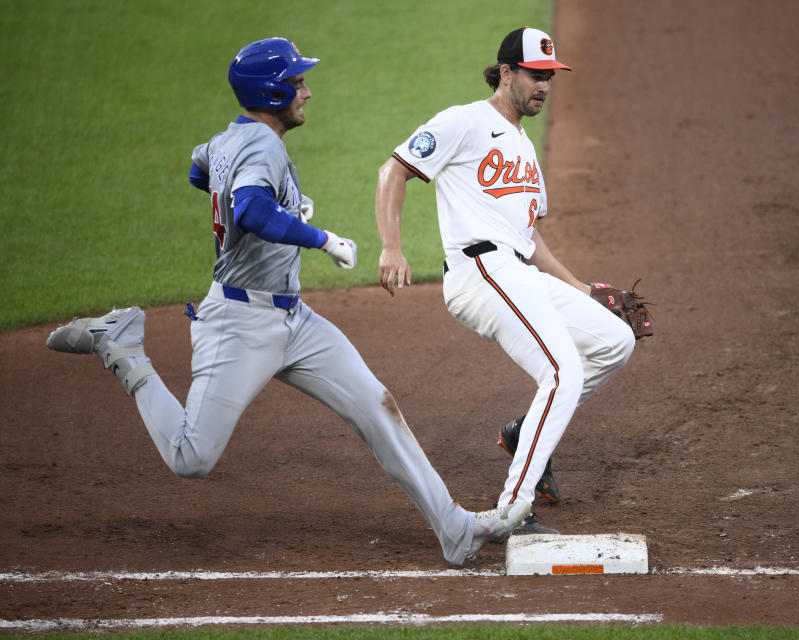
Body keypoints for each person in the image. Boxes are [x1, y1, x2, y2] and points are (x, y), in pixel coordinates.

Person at [45, 37, 530, 565]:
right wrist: (321, 237)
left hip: (295, 320)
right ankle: (121, 347)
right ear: (272, 91)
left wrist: (258, 201)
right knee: (192, 457)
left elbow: (199, 170)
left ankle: (455, 530)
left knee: (376, 406)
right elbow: (251, 211)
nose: (308, 92)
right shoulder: (264, 147)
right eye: (298, 84)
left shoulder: (229, 139)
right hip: (238, 323)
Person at [375, 28, 636, 533]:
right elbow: (394, 170)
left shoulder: (524, 148)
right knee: (563, 372)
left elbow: (529, 238)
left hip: (514, 269)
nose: (544, 86)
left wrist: (583, 290)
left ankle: (525, 432)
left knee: (614, 341)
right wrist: (392, 246)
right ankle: (512, 511)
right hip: (480, 272)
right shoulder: (464, 122)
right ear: (507, 73)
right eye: (536, 76)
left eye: (550, 78)